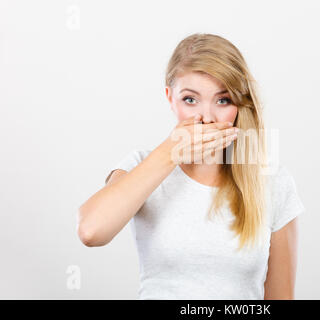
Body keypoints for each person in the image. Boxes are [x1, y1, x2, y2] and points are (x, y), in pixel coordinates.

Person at [77, 33, 306, 300]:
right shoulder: (142, 165)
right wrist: (172, 150)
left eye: (223, 100)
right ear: (169, 98)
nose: (207, 118)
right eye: (190, 99)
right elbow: (91, 231)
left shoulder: (272, 181)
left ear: (239, 105)